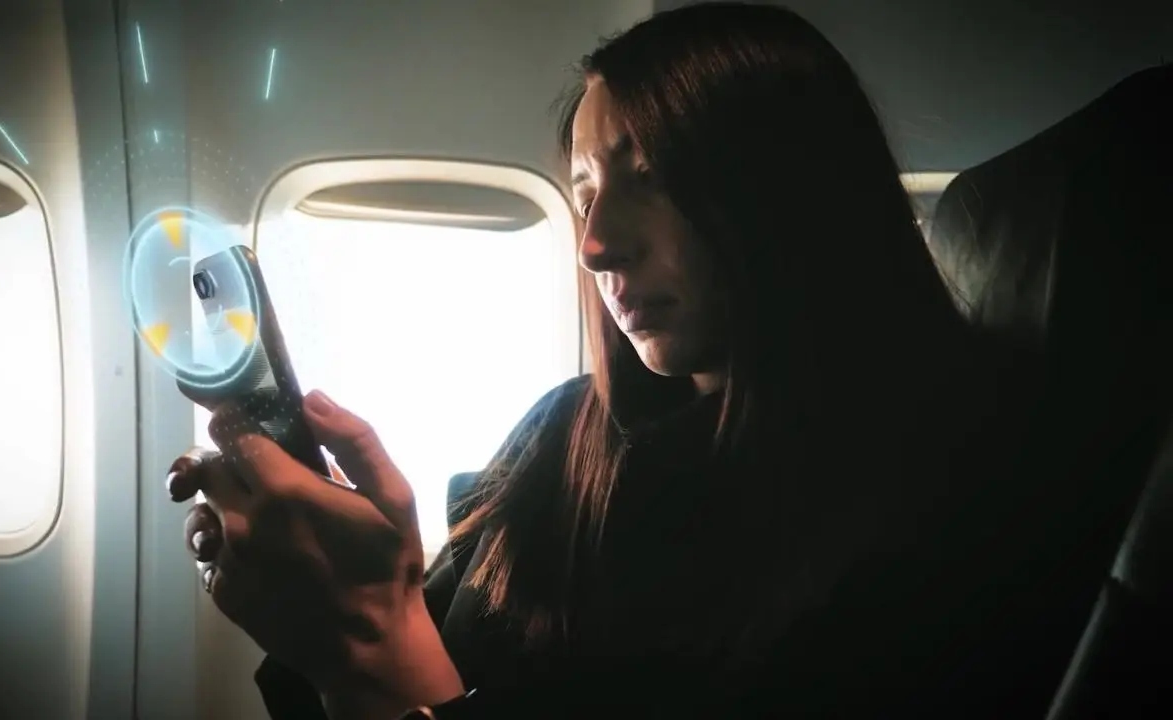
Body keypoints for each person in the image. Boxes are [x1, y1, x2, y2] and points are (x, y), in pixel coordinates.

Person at [167, 3, 1076, 717]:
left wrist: (369, 643)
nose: (595, 244)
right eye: (585, 192)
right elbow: (416, 639)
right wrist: (334, 591)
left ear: (789, 191)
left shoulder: (928, 525)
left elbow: (397, 658)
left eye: (651, 179)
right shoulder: (566, 430)